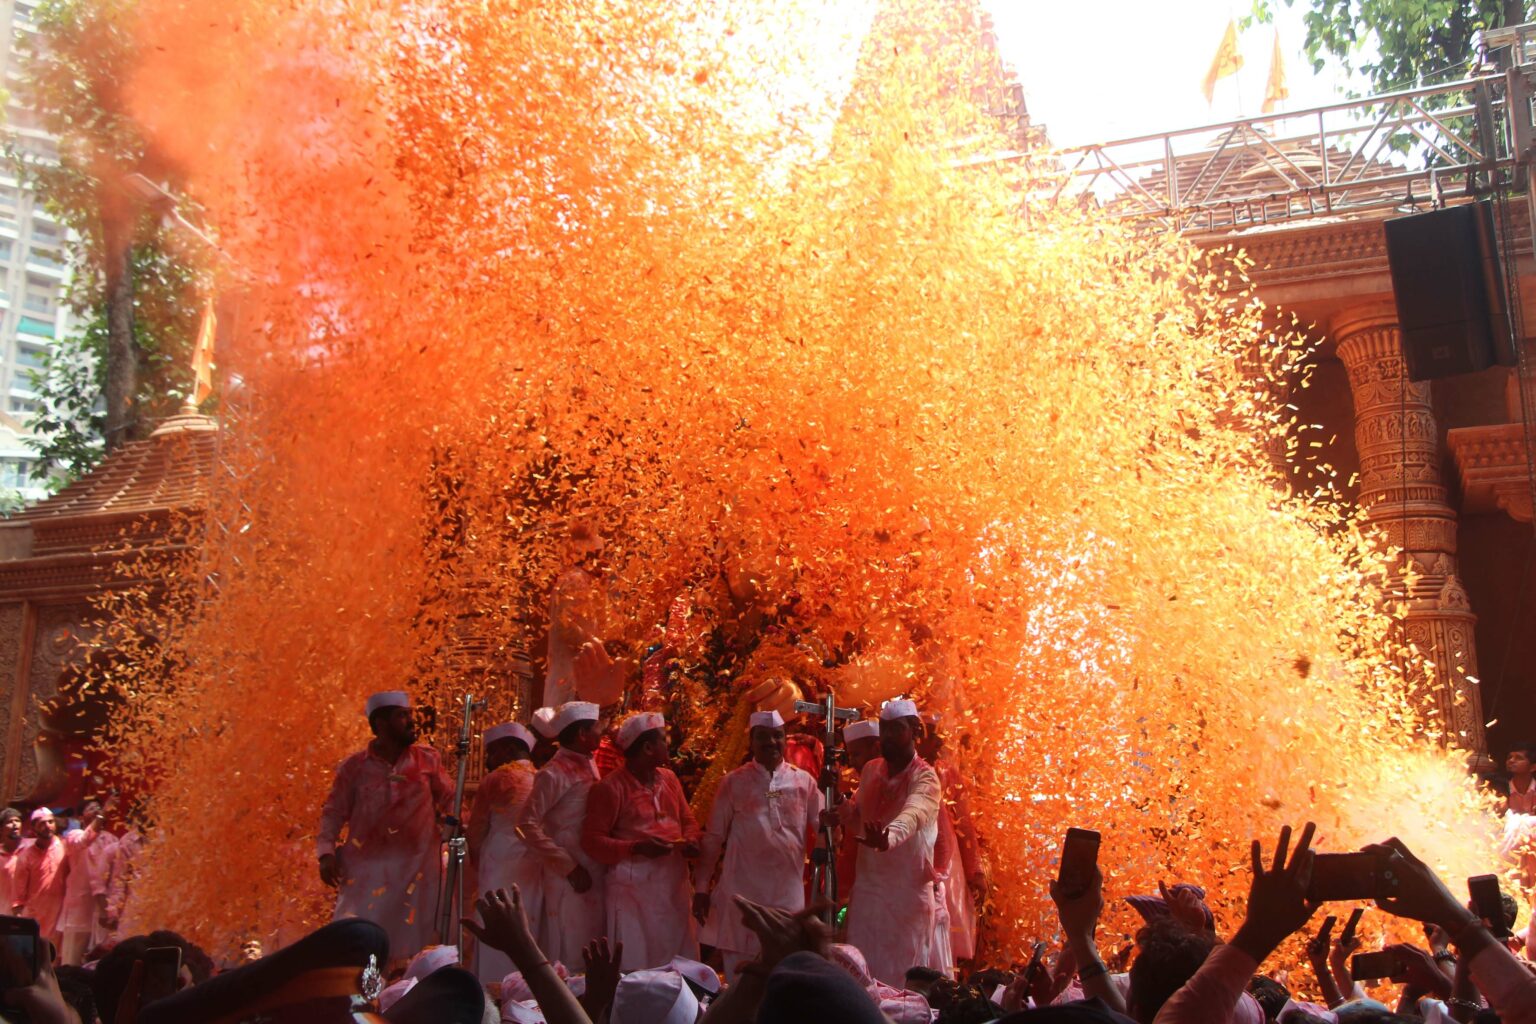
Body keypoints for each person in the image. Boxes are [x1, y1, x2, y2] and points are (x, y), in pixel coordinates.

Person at [317, 690, 452, 967]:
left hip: (419, 872)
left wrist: (456, 827)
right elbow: (333, 812)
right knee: (360, 946)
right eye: (402, 716)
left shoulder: (428, 760)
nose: (411, 722)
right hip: (368, 872)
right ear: (380, 723)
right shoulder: (354, 768)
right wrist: (326, 853)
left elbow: (451, 799)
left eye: (410, 715)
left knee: (415, 950)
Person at [693, 709, 823, 979]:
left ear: (786, 739)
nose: (771, 743)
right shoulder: (734, 782)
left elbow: (826, 825)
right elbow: (714, 837)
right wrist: (702, 887)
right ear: (751, 741)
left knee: (786, 974)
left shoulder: (804, 782)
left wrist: (836, 806)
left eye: (777, 736)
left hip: (788, 895)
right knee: (743, 976)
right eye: (763, 737)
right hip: (744, 894)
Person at [582, 711, 703, 970]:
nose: (668, 744)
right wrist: (636, 848)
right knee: (637, 961)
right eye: (663, 739)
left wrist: (692, 840)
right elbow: (592, 842)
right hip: (632, 889)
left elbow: (688, 820)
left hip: (672, 884)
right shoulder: (610, 788)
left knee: (678, 959)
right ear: (648, 747)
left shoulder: (669, 779)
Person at [838, 698, 943, 986]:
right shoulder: (872, 770)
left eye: (896, 729)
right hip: (869, 896)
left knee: (901, 986)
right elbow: (858, 818)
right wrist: (841, 806)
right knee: (861, 979)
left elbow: (915, 812)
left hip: (906, 901)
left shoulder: (926, 777)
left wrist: (889, 837)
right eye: (883, 729)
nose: (887, 737)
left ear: (914, 731)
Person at [516, 700, 607, 967]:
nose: (601, 733)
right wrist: (567, 865)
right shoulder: (553, 773)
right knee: (571, 949)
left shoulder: (588, 762)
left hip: (592, 868)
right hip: (569, 876)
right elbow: (525, 824)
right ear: (582, 734)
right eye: (596, 728)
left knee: (592, 945)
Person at [467, 720, 541, 985]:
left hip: (499, 860)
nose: (488, 759)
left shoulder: (495, 778)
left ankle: (492, 986)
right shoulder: (541, 775)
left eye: (492, 752)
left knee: (496, 920)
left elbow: (475, 831)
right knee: (527, 922)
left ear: (508, 750)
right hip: (533, 863)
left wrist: (474, 861)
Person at [545, 520, 609, 706]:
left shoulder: (580, 582)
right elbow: (566, 627)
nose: (604, 563)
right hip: (570, 675)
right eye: (600, 555)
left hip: (574, 672)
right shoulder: (575, 581)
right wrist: (597, 647)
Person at [57, 799, 118, 965]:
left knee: (98, 962)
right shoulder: (74, 836)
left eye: (99, 808)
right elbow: (86, 839)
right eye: (92, 808)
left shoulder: (111, 841)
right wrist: (104, 811)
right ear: (81, 817)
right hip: (79, 909)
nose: (97, 811)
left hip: (102, 910)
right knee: (72, 961)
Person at [16, 808, 69, 950]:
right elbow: (19, 897)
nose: (47, 826)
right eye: (42, 823)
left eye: (50, 822)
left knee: (55, 959)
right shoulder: (26, 856)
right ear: (33, 828)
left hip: (60, 915)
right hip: (35, 917)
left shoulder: (65, 847)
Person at [1499, 742, 1536, 887]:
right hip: (1508, 844)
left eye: (1518, 758)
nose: (1511, 760)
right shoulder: (1500, 788)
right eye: (1510, 757)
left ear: (1533, 767)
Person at [0, 808, 30, 913]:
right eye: (9, 821)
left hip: (28, 912)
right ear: (1, 829)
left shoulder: (31, 848)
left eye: (17, 821)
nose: (14, 824)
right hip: (3, 912)